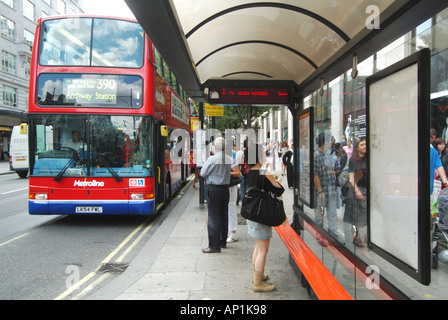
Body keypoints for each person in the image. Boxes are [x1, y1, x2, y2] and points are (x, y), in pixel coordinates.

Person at [244, 142, 287, 292]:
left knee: (258, 247)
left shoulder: (250, 172)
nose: (264, 154)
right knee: (263, 250)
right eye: (262, 152)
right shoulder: (263, 173)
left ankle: (258, 274)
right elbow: (279, 190)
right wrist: (273, 176)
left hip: (252, 214)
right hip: (261, 215)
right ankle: (258, 283)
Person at [200, 137, 232, 253]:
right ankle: (223, 241)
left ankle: (214, 246)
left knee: (213, 217)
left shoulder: (212, 159)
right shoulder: (228, 158)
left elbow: (203, 173)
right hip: (225, 189)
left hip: (214, 189)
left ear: (215, 147)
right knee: (224, 215)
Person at [314, 133, 339, 241]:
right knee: (319, 213)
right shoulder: (315, 155)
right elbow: (314, 175)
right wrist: (320, 191)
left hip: (331, 187)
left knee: (332, 212)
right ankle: (319, 234)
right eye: (329, 141)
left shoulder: (329, 155)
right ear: (324, 142)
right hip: (321, 189)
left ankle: (332, 231)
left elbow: (332, 170)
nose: (331, 143)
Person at [344, 138, 367, 247]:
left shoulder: (368, 158)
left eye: (365, 144)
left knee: (365, 213)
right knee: (357, 214)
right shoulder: (353, 160)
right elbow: (351, 177)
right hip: (358, 189)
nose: (364, 146)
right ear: (357, 147)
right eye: (362, 144)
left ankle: (366, 236)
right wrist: (357, 191)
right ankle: (356, 236)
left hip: (367, 189)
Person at [227, 153, 241, 243]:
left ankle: (233, 233)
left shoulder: (230, 159)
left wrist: (228, 173)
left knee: (231, 208)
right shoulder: (214, 159)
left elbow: (238, 173)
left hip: (230, 187)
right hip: (221, 187)